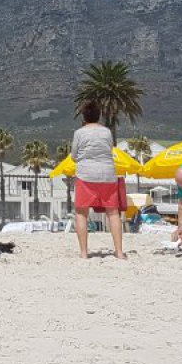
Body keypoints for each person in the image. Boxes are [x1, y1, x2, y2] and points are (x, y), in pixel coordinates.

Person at [71, 100, 126, 259]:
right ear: (99, 116)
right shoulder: (107, 132)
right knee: (113, 213)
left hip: (86, 175)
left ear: (84, 117)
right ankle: (119, 252)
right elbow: (109, 149)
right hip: (108, 175)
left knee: (81, 213)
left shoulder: (79, 133)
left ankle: (84, 253)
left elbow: (74, 156)